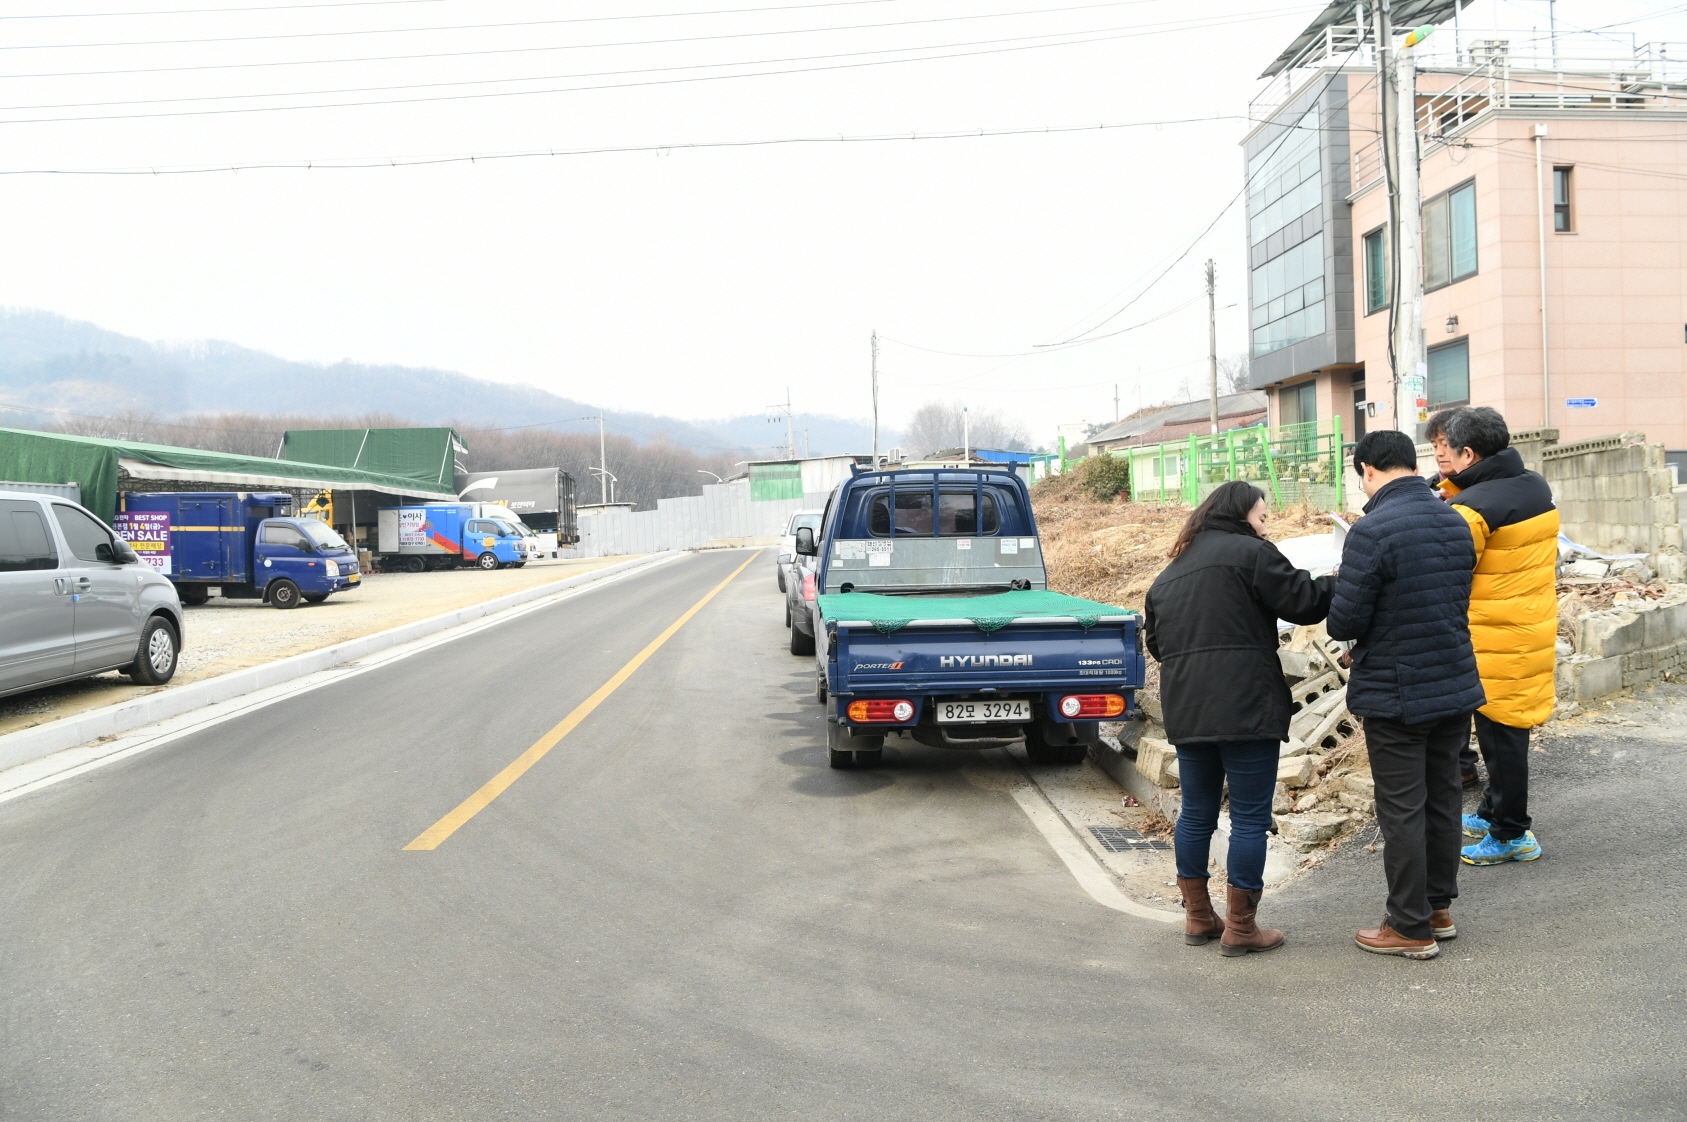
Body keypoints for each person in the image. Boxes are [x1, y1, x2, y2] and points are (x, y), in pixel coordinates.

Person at [1144, 480, 1336, 957]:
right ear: (1240, 513)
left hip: (1189, 709)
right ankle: (1242, 927)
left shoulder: (1168, 575)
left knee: (1196, 813)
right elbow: (1305, 602)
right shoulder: (1251, 554)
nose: (1265, 526)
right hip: (1246, 704)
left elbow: (1157, 645)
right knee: (1250, 817)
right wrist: (1343, 576)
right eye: (1262, 516)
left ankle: (1198, 916)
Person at [1327, 430, 1486, 960]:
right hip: (1453, 681)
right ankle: (1437, 909)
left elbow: (1345, 621)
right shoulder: (1454, 521)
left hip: (1396, 691)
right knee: (1443, 797)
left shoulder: (1371, 530)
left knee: (1401, 808)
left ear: (1368, 471)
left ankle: (1409, 926)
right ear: (1412, 466)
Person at [1427, 406, 1558, 867]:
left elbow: (1450, 573)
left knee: (1502, 739)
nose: (1441, 455)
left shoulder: (1474, 509)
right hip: (1529, 627)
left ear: (1468, 453)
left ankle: (1512, 833)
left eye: (1447, 448)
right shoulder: (1533, 484)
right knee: (1507, 732)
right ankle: (1491, 812)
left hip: (1496, 638)